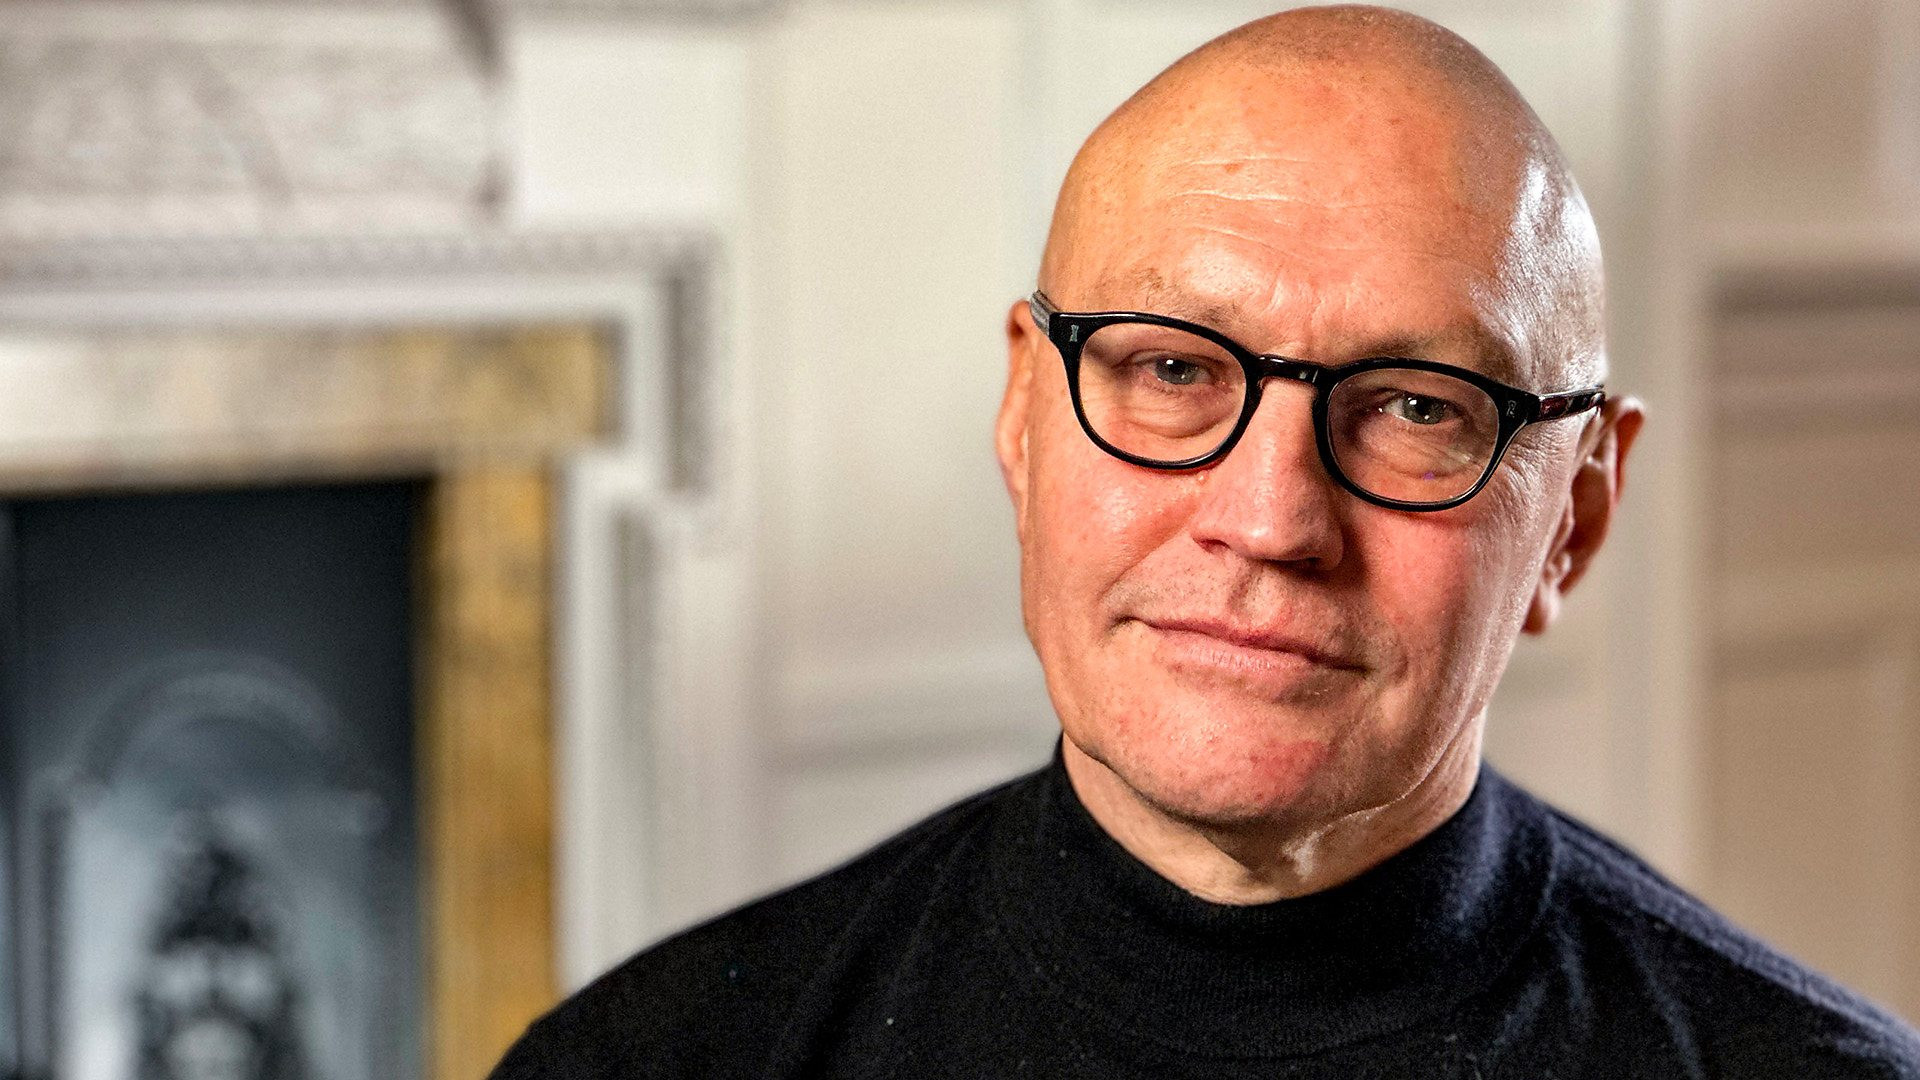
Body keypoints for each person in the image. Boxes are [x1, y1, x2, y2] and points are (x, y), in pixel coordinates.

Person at [491, 6, 1920, 1077]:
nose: (1270, 520)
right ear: (1023, 420)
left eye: (1418, 406)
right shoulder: (650, 1059)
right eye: (1173, 369)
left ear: (1576, 518)